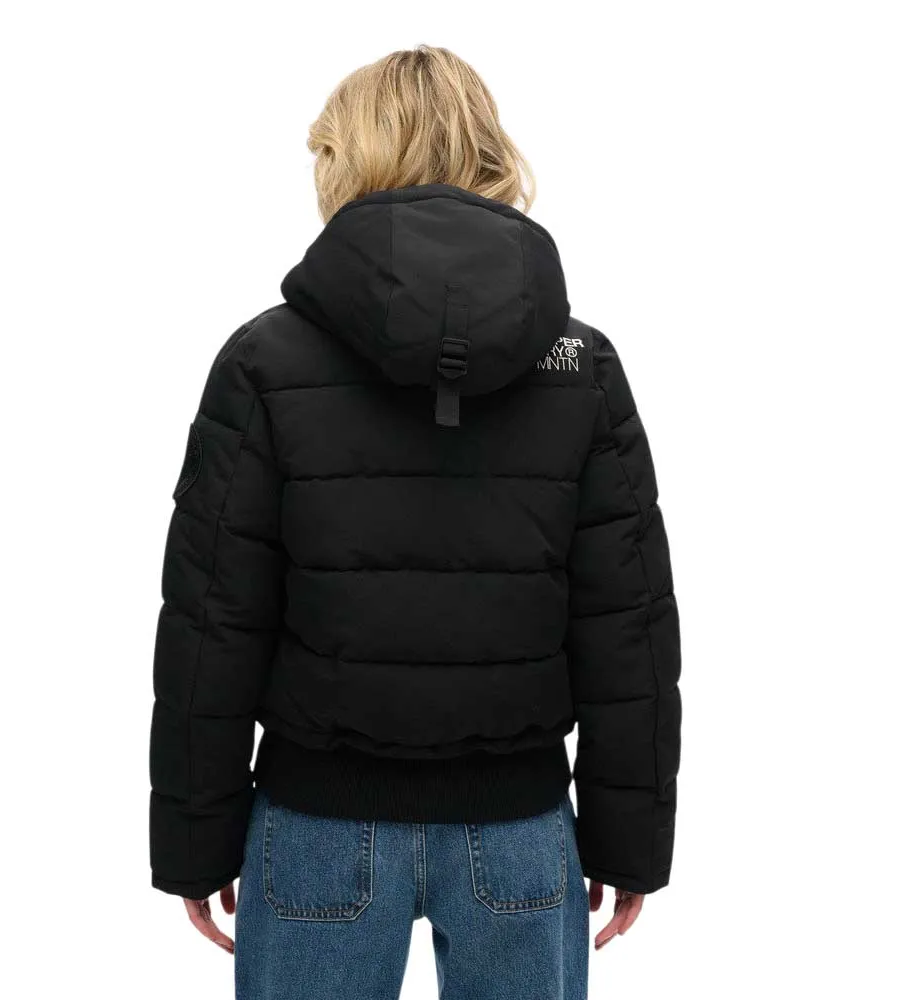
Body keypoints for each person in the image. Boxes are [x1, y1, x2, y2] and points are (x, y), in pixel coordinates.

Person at [149, 45, 681, 1000]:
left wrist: (196, 836)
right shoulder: (581, 366)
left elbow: (213, 624)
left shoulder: (264, 361)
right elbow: (626, 629)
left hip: (316, 830)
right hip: (519, 834)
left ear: (345, 157)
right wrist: (628, 839)